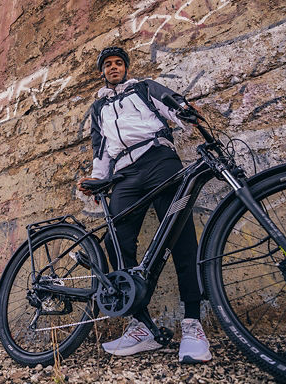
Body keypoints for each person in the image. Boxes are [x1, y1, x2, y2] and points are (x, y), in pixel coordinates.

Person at [77, 46, 212, 363]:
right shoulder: (98, 108)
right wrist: (98, 178)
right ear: (102, 72)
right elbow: (101, 150)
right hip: (123, 174)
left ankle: (192, 325)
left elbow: (170, 103)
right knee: (116, 242)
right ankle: (141, 326)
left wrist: (182, 111)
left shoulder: (142, 87)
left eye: (118, 63)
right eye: (108, 64)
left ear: (125, 68)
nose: (113, 67)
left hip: (158, 160)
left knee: (180, 239)